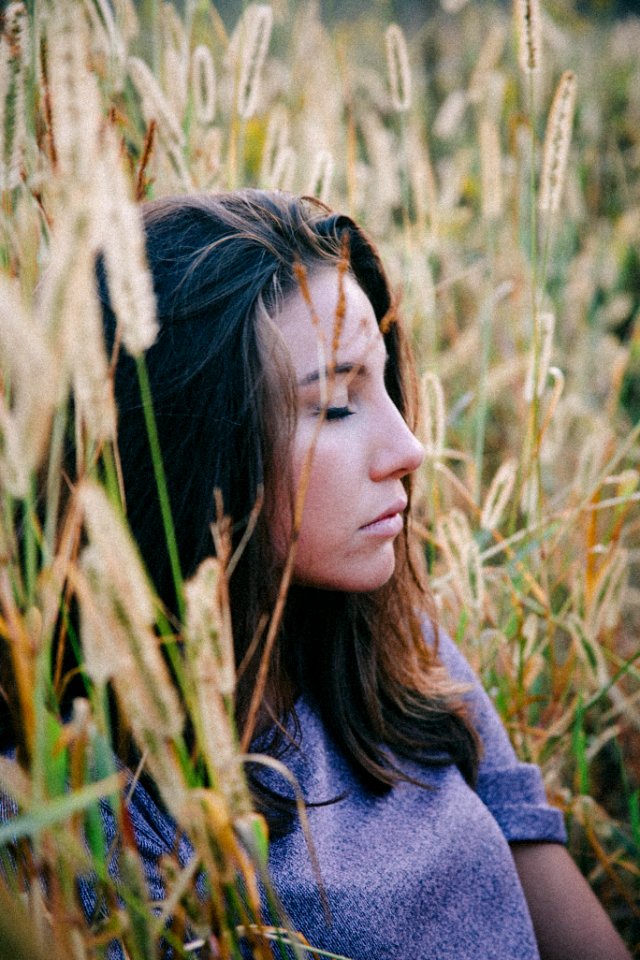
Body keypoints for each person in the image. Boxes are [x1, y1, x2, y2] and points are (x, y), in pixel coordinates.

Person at [98, 190, 631, 960]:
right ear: (200, 451)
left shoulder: (393, 650)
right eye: (338, 404)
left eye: (382, 383)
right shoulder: (109, 811)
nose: (410, 447)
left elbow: (531, 850)